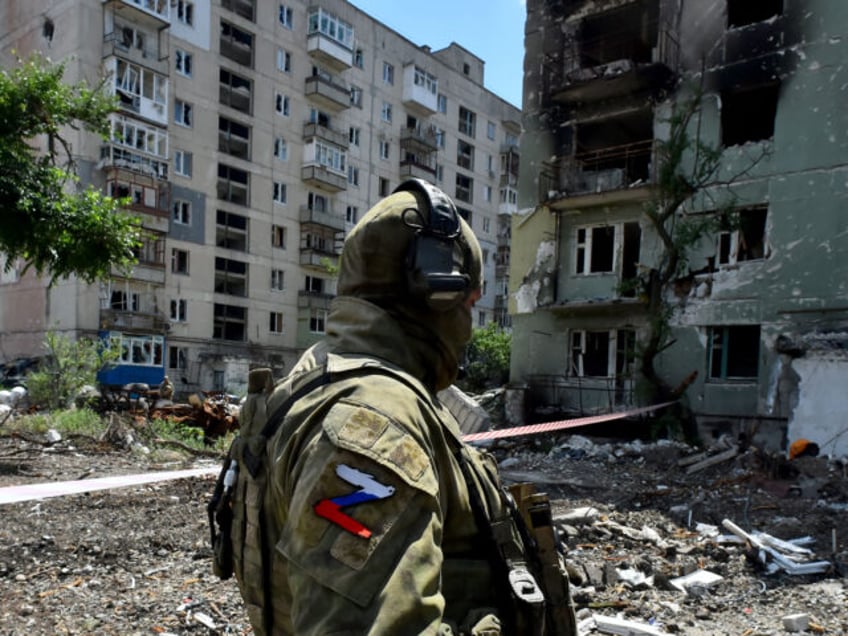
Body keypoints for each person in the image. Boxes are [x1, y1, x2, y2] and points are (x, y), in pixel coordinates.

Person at [222, 179, 576, 635]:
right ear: (438, 294)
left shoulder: (320, 381)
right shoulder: (373, 423)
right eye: (468, 303)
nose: (469, 324)